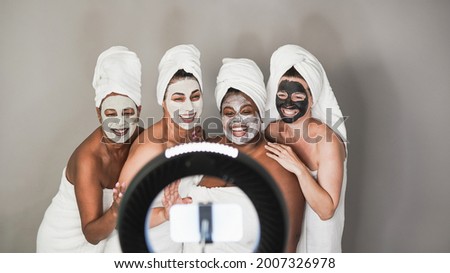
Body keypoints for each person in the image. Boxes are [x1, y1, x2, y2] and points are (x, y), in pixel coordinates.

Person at [166, 58, 304, 252]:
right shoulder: (206, 149)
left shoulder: (279, 168)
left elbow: (285, 248)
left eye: (246, 111)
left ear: (260, 110)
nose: (237, 121)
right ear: (221, 117)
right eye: (229, 112)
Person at [36, 46, 143, 252]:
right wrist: (116, 211)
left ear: (139, 110)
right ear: (99, 114)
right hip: (65, 245)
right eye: (110, 113)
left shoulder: (142, 137)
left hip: (109, 239)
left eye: (128, 112)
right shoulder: (88, 159)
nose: (119, 123)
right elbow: (91, 234)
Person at [103, 44, 204, 253]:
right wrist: (165, 214)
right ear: (163, 101)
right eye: (178, 98)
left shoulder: (195, 134)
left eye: (195, 96)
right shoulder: (150, 149)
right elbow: (123, 215)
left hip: (173, 245)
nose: (189, 108)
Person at [264, 44, 348, 253]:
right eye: (282, 96)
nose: (288, 103)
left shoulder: (327, 142)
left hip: (319, 246)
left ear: (312, 99)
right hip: (284, 242)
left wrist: (298, 168)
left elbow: (326, 210)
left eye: (298, 97)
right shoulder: (272, 132)